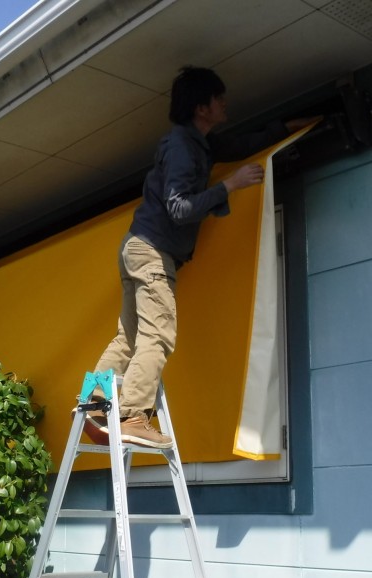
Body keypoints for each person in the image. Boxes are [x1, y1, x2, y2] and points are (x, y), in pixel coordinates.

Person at [89, 66, 316, 448]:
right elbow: (179, 208)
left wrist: (290, 125)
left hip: (136, 246)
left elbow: (241, 144)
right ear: (201, 107)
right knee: (157, 334)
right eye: (218, 98)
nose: (225, 103)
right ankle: (132, 416)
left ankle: (91, 405)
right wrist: (230, 184)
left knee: (127, 337)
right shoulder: (182, 146)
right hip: (152, 251)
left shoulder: (199, 143)